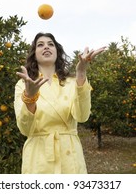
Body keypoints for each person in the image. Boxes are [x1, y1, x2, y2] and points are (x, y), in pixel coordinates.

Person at [14, 32, 105, 174]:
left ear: (57, 51)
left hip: (70, 156)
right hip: (38, 158)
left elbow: (82, 116)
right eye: (40, 45)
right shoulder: (24, 84)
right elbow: (25, 129)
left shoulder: (71, 82)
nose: (46, 47)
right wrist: (30, 97)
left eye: (51, 44)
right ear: (34, 53)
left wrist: (81, 74)